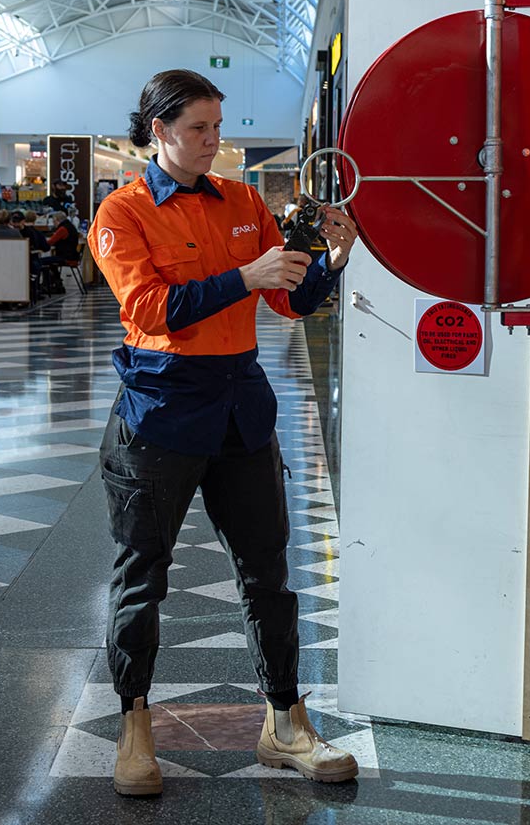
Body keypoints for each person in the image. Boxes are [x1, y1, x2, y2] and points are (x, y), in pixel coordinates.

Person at [90, 69, 358, 798]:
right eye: (199, 129)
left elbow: (288, 300)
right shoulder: (122, 211)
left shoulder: (244, 202)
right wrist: (246, 275)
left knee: (267, 573)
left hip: (241, 407)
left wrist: (332, 259)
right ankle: (135, 725)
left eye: (218, 126)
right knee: (142, 574)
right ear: (159, 132)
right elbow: (148, 308)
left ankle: (285, 721)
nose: (215, 141)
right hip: (162, 410)